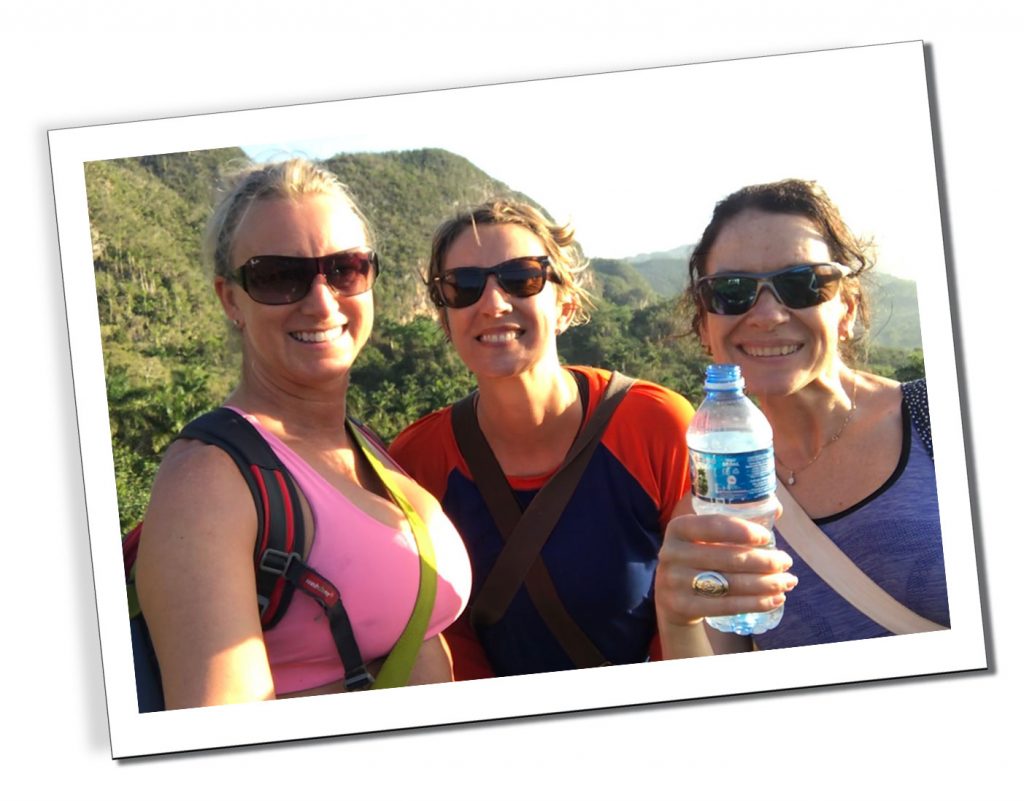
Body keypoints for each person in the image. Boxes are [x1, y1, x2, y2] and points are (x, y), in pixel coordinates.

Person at [134, 158, 472, 708]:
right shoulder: (209, 482)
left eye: (345, 268)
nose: (320, 301)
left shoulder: (361, 444)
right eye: (277, 276)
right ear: (230, 299)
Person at [389, 198, 695, 679]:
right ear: (445, 319)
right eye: (463, 286)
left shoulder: (656, 427)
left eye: (521, 278)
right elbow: (444, 642)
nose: (492, 303)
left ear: (565, 305)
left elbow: (701, 604)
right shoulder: (416, 462)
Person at [655, 178, 949, 658]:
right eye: (731, 291)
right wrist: (676, 616)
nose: (768, 314)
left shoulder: (943, 423)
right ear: (706, 325)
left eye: (802, 284)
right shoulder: (710, 507)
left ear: (846, 309)